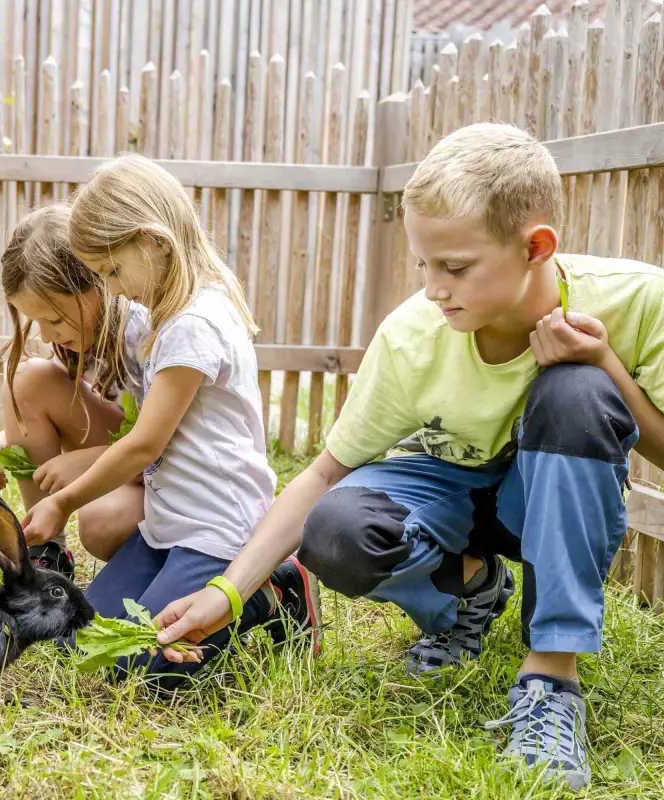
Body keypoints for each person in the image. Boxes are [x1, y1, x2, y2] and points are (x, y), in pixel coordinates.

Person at [155, 123, 664, 788]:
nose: (433, 288)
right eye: (424, 264)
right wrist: (227, 590)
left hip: (550, 496)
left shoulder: (637, 299)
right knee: (337, 528)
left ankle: (549, 681)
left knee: (576, 391)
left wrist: (603, 361)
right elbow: (323, 472)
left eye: (454, 267)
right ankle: (470, 594)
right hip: (453, 488)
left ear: (536, 247)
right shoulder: (412, 337)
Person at [21, 154, 321, 688]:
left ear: (154, 241)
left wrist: (63, 501)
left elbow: (144, 446)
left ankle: (272, 589)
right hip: (168, 527)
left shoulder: (193, 326)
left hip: (217, 531)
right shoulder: (167, 317)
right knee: (80, 639)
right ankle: (198, 591)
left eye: (113, 271)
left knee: (138, 668)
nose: (112, 289)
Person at [0, 204, 149, 577]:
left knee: (101, 524)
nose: (47, 335)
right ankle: (45, 550)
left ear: (96, 283)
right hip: (130, 456)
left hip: (168, 467)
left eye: (53, 319)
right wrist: (7, 442)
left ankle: (166, 558)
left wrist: (86, 460)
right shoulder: (76, 337)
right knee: (27, 378)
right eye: (36, 321)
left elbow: (164, 444)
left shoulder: (142, 332)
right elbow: (85, 418)